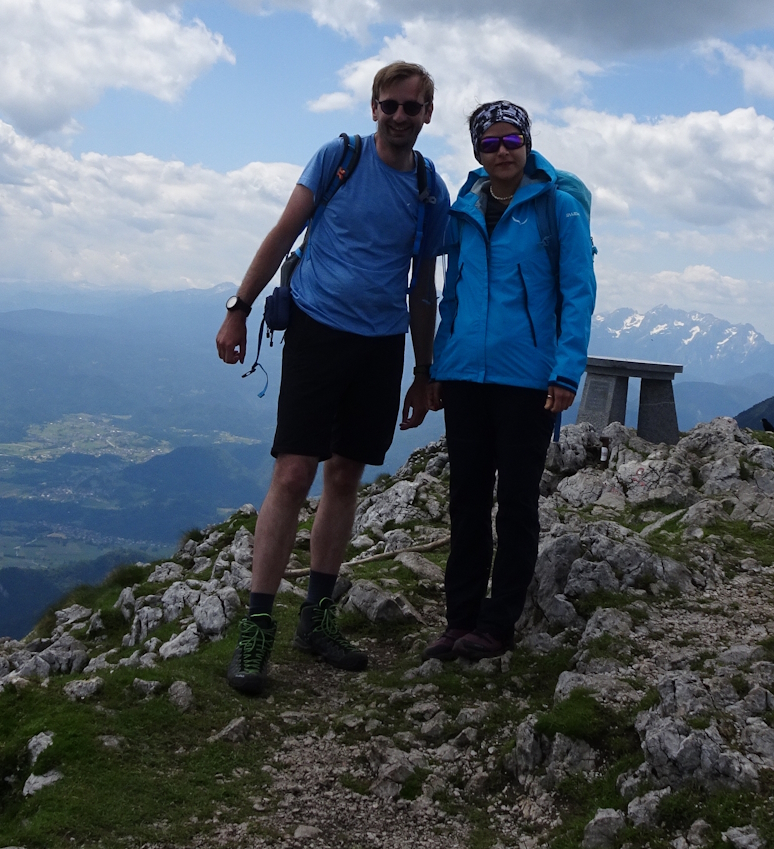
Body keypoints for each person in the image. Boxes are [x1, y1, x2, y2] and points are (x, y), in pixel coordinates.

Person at [214, 61, 450, 695]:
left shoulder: (430, 190)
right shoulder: (337, 158)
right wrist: (238, 310)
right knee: (294, 471)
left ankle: (314, 620)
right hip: (319, 331)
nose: (401, 116)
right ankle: (258, 625)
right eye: (391, 105)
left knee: (345, 473)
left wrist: (425, 371)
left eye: (413, 107)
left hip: (380, 344)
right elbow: (284, 232)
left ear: (429, 114)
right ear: (374, 107)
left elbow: (422, 288)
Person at [423, 101, 595, 661]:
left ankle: (498, 624)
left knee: (516, 502)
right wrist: (439, 364)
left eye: (510, 141)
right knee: (467, 501)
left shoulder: (557, 208)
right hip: (466, 376)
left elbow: (578, 294)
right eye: (490, 143)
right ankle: (460, 620)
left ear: (527, 143)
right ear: (477, 150)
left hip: (529, 381)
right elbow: (454, 294)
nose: (501, 152)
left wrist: (567, 371)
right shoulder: (465, 208)